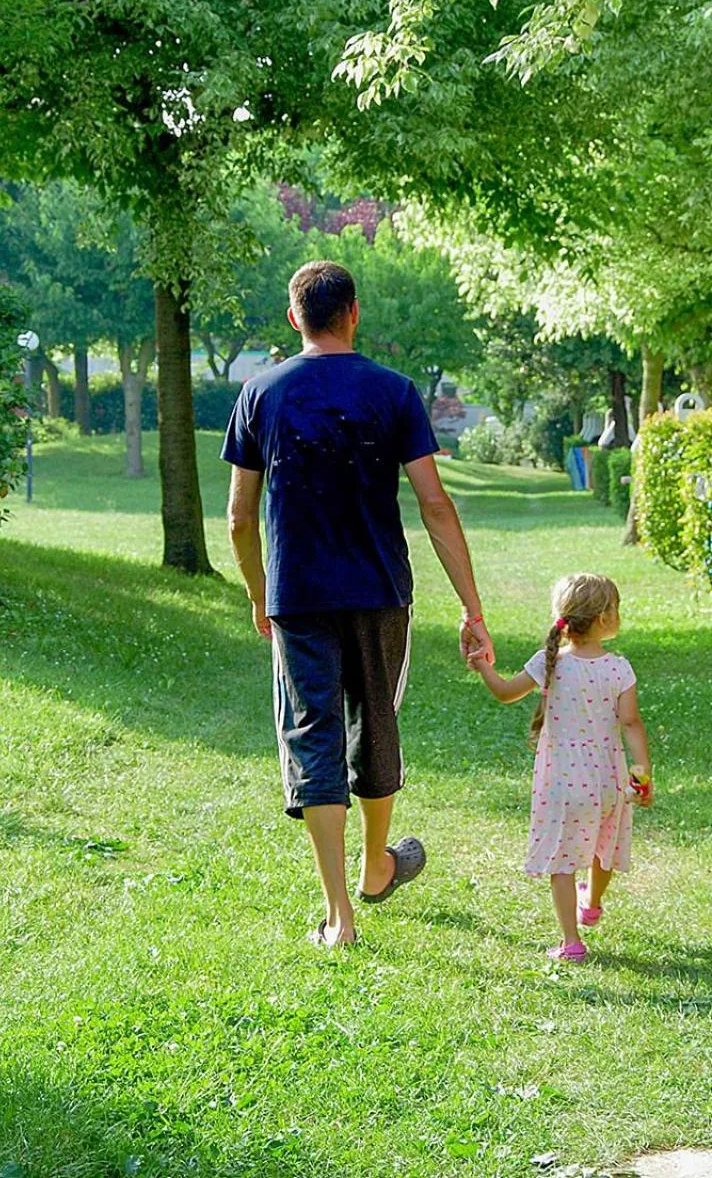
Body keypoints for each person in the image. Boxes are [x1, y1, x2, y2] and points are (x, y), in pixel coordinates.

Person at [223, 260, 494, 949]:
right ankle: (377, 865)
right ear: (354, 313)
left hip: (298, 595)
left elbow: (238, 519)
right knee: (375, 725)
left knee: (311, 735)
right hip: (379, 593)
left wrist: (260, 595)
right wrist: (472, 608)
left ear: (295, 319)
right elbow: (435, 503)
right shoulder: (394, 392)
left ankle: (339, 915)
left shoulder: (260, 392)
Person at [469, 573, 652, 962]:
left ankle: (571, 942)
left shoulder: (549, 663)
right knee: (605, 848)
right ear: (605, 618)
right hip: (608, 780)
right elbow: (631, 723)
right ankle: (594, 904)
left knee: (562, 861)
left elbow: (504, 693)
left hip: (563, 782)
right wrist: (642, 772)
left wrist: (484, 668)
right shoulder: (619, 668)